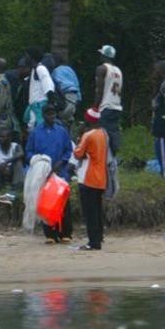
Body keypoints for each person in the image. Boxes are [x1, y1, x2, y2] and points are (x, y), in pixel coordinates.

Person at [25, 106, 75, 242]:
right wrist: (38, 161)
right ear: (43, 115)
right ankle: (50, 234)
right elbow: (28, 152)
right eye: (48, 114)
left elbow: (68, 150)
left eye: (53, 114)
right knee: (46, 202)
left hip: (60, 171)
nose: (51, 117)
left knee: (63, 201)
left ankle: (65, 232)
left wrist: (61, 163)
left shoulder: (62, 131)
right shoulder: (35, 133)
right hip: (43, 173)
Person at [73, 108, 111, 251]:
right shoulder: (103, 134)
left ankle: (93, 242)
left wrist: (78, 140)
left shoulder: (88, 135)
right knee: (97, 210)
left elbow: (77, 153)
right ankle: (99, 237)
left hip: (88, 178)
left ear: (88, 120)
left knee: (90, 213)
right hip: (101, 177)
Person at [94, 45, 124, 154]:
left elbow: (99, 91)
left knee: (103, 136)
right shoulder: (118, 71)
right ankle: (113, 159)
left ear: (104, 55)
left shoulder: (101, 69)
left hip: (105, 106)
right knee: (113, 135)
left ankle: (104, 161)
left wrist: (95, 108)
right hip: (116, 106)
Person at [22, 51, 57, 130]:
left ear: (32, 58)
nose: (25, 59)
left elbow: (49, 88)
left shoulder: (41, 69)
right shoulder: (34, 70)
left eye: (26, 56)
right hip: (34, 107)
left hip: (40, 107)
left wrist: (50, 108)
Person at [0, 128, 24, 203]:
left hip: (13, 171)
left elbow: (21, 153)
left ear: (9, 138)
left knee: (18, 163)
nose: (0, 139)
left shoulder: (15, 146)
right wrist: (1, 167)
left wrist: (7, 162)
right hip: (1, 171)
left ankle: (15, 191)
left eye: (3, 137)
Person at [50, 53, 81, 123]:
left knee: (61, 117)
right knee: (69, 117)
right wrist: (79, 97)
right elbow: (76, 82)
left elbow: (57, 85)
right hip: (74, 94)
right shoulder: (70, 69)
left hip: (65, 95)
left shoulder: (55, 71)